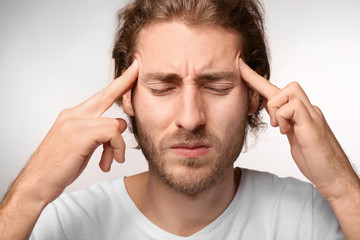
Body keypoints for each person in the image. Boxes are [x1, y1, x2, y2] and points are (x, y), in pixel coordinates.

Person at [0, 0, 359, 239]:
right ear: (126, 93)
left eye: (216, 86)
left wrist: (344, 190)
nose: (190, 119)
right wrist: (29, 194)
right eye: (162, 87)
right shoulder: (63, 225)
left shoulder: (308, 220)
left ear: (254, 94)